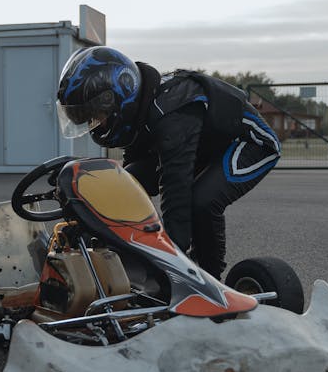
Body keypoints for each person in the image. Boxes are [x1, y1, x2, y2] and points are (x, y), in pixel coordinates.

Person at [55, 46, 280, 280]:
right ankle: (121, 256)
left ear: (117, 97)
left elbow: (176, 190)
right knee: (127, 182)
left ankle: (210, 280)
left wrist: (174, 263)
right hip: (203, 146)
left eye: (96, 114)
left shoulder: (171, 112)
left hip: (249, 143)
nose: (96, 123)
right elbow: (129, 180)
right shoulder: (140, 107)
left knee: (201, 201)